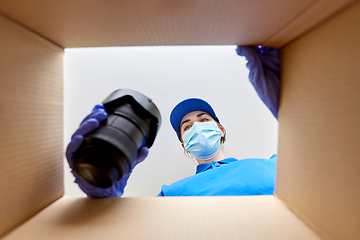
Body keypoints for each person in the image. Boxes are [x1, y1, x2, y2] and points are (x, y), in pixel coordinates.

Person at [66, 45, 280, 197]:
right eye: (187, 127)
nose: (196, 126)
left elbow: (312, 163)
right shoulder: (170, 193)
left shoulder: (274, 165)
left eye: (203, 119)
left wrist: (290, 107)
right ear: (184, 144)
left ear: (221, 130)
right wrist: (104, 202)